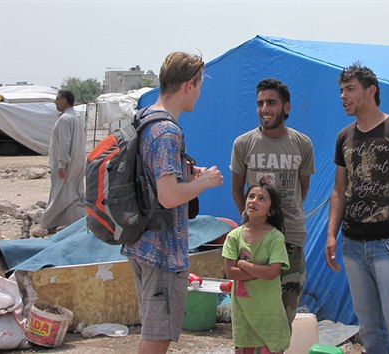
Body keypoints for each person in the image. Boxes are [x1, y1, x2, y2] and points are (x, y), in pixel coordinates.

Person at [121, 51, 224, 354]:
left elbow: (153, 180)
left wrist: (188, 176)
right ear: (189, 84)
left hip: (142, 242)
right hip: (162, 250)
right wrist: (204, 183)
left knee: (155, 331)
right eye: (200, 85)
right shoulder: (167, 131)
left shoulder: (145, 119)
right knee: (158, 337)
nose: (200, 93)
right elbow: (167, 196)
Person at [324, 63, 389, 354]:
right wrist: (331, 234)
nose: (343, 96)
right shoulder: (344, 137)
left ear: (371, 91)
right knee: (368, 327)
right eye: (341, 90)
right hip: (352, 244)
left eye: (350, 89)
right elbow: (338, 190)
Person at [230, 78, 315, 326]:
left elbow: (302, 189)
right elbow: (237, 190)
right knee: (252, 318)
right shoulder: (243, 144)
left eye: (271, 102)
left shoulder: (302, 144)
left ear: (286, 107)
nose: (264, 109)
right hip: (256, 244)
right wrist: (251, 226)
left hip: (291, 240)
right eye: (260, 103)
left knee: (283, 319)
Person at [223, 181, 291, 354]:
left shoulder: (275, 238)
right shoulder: (234, 237)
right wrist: (259, 271)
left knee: (271, 348)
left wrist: (243, 264)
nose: (254, 201)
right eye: (251, 196)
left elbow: (272, 272)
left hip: (269, 311)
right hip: (243, 311)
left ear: (271, 210)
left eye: (262, 198)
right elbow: (231, 272)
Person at [41, 89, 86, 232]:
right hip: (77, 162)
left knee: (61, 195)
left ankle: (49, 223)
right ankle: (77, 225)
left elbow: (64, 143)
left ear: (65, 100)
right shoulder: (77, 116)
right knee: (73, 194)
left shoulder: (65, 119)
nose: (55, 101)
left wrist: (62, 164)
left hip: (67, 165)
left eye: (57, 98)